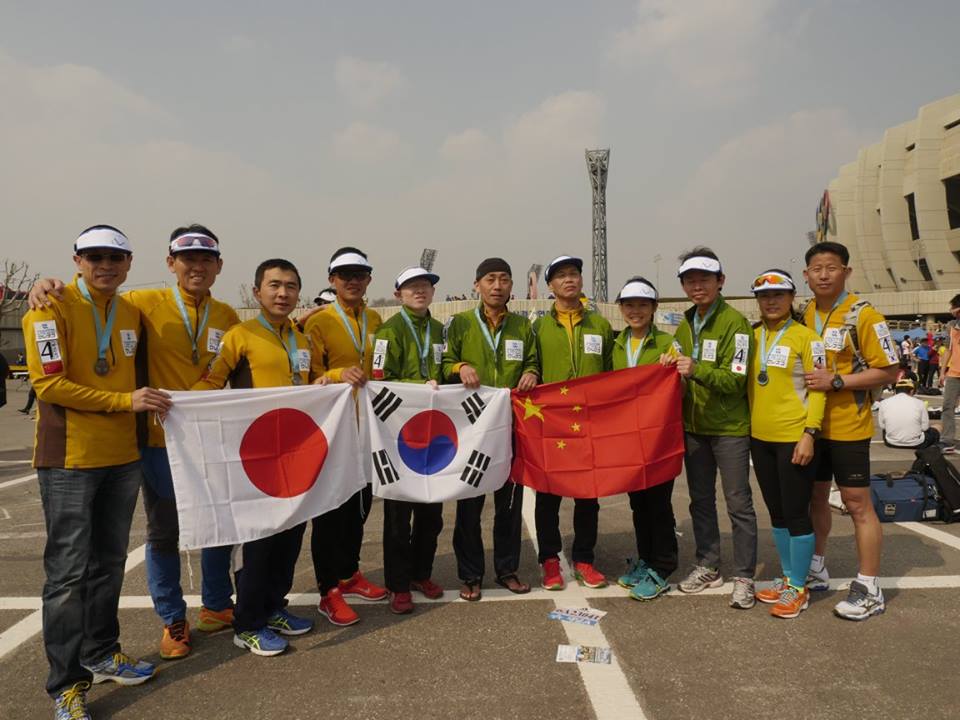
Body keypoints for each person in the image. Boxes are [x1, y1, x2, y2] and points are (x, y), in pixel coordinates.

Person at [27, 224, 240, 661]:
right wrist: (41, 285)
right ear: (170, 263)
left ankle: (217, 605)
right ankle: (173, 618)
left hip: (208, 440)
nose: (197, 267)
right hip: (155, 440)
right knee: (164, 533)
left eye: (206, 259)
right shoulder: (140, 304)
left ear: (218, 266)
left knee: (218, 525)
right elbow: (87, 304)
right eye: (188, 259)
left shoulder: (228, 316)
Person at [23, 225, 171, 719]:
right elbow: (50, 385)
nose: (105, 265)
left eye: (115, 257)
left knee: (108, 564)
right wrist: (123, 402)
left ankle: (102, 652)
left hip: (123, 457)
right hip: (70, 459)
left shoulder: (130, 312)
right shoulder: (49, 307)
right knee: (67, 575)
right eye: (94, 257)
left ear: (129, 263)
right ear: (77, 261)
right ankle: (66, 685)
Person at [192, 258, 318, 656]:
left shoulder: (301, 339)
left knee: (290, 536)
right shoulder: (239, 335)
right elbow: (212, 381)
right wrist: (178, 406)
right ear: (257, 291)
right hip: (256, 458)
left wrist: (335, 379)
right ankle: (247, 623)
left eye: (291, 286)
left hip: (295, 455)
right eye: (275, 285)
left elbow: (312, 385)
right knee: (259, 542)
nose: (283, 293)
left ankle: (273, 606)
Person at [801, 241, 899, 620]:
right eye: (817, 269)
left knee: (857, 504)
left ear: (846, 272)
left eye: (832, 267)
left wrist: (838, 381)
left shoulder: (865, 316)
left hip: (849, 427)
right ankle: (816, 567)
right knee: (816, 497)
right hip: (811, 428)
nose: (824, 275)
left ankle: (870, 587)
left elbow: (889, 371)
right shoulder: (804, 312)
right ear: (806, 275)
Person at [665, 248, 758, 609]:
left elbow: (736, 380)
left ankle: (745, 576)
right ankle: (708, 565)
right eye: (690, 280)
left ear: (721, 281)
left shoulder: (735, 323)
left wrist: (695, 369)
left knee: (739, 503)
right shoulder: (685, 322)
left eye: (704, 279)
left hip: (729, 428)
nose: (697, 286)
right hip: (694, 427)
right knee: (700, 500)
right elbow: (677, 366)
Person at [442, 257, 538, 601]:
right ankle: (470, 574)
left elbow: (533, 361)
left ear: (511, 285)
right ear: (477, 285)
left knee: (509, 506)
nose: (497, 286)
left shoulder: (523, 326)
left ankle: (507, 570)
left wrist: (532, 372)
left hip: (511, 429)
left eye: (504, 279)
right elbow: (444, 363)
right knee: (469, 506)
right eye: (490, 279)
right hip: (473, 430)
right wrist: (460, 366)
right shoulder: (460, 324)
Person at [303, 247, 387, 627]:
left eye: (359, 274)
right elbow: (309, 377)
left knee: (360, 506)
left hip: (368, 428)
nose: (352, 281)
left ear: (368, 279)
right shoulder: (318, 322)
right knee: (330, 511)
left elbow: (382, 369)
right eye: (344, 275)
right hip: (333, 429)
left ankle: (349, 573)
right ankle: (328, 590)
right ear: (332, 280)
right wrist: (340, 374)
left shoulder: (375, 319)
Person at [747, 270, 825, 619]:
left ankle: (799, 587)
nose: (771, 301)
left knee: (796, 514)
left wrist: (810, 433)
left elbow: (819, 390)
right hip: (759, 438)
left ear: (792, 298)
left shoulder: (808, 338)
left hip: (795, 437)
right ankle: (788, 577)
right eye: (764, 296)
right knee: (777, 513)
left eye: (779, 294)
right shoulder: (751, 337)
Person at [531, 255, 612, 591]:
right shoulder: (538, 328)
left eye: (574, 274)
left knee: (588, 495)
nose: (569, 280)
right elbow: (531, 367)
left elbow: (612, 373)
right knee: (547, 495)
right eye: (561, 275)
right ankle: (550, 559)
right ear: (550, 285)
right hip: (551, 423)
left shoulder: (600, 326)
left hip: (590, 424)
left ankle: (584, 559)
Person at [372, 266, 446, 614]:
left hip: (434, 435)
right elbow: (379, 379)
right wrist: (420, 387)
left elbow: (446, 371)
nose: (420, 291)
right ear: (398, 293)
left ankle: (421, 574)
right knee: (399, 517)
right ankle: (398, 584)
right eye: (412, 286)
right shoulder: (388, 331)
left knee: (432, 513)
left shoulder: (439, 329)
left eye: (425, 286)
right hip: (398, 436)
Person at [611, 277, 681, 601]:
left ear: (654, 308)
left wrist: (673, 367)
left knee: (658, 503)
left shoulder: (668, 342)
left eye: (642, 305)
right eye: (629, 305)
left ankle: (662, 566)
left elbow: (681, 386)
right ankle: (646, 560)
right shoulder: (616, 343)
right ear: (621, 309)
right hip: (628, 438)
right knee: (638, 503)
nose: (635, 311)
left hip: (658, 438)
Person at [879, 379, 939, 449]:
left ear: (895, 391)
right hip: (916, 443)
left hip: (891, 442)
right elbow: (925, 427)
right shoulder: (920, 403)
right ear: (912, 391)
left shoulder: (884, 403)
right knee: (938, 427)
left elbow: (882, 426)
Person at [939, 294, 960, 454]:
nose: (950, 310)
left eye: (953, 307)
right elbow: (948, 349)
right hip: (953, 373)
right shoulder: (952, 326)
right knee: (948, 406)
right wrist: (942, 371)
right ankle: (947, 441)